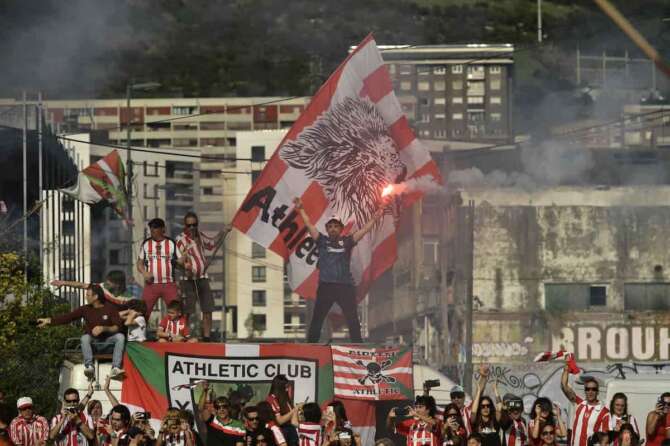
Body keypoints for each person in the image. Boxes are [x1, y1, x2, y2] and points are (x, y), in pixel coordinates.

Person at [293, 197, 385, 343]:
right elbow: (308, 224)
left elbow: (364, 231)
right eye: (330, 226)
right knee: (317, 318)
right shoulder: (322, 240)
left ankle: (357, 348)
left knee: (352, 319)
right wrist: (301, 209)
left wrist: (374, 219)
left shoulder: (347, 241)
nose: (333, 228)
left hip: (345, 286)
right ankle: (310, 347)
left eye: (336, 226)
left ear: (341, 229)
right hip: (326, 287)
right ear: (327, 229)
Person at [37, 284, 126, 379]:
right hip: (93, 345)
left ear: (95, 297)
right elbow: (68, 317)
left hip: (108, 344)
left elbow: (117, 327)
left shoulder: (110, 308)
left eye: (88, 295)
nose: (85, 297)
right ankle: (89, 367)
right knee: (85, 338)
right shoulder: (85, 309)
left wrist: (104, 328)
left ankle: (115, 368)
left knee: (120, 337)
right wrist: (49, 321)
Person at [176, 212, 230, 342]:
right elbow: (178, 261)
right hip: (188, 280)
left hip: (202, 277)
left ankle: (206, 337)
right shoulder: (180, 240)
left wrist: (224, 231)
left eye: (194, 225)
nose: (192, 228)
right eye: (189, 225)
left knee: (207, 308)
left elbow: (212, 243)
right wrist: (186, 267)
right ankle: (183, 336)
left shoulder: (200, 236)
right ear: (185, 225)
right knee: (187, 311)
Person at [137, 218, 190, 316]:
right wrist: (145, 273)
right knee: (142, 313)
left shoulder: (171, 243)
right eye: (151, 228)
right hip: (151, 285)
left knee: (176, 312)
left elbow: (179, 261)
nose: (152, 230)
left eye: (155, 228)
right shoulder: (146, 243)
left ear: (163, 229)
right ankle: (139, 331)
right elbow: (139, 263)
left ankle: (177, 330)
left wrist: (184, 258)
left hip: (169, 284)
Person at [561, 368, 609, 446]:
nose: (590, 392)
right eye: (588, 389)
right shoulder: (579, 403)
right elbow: (564, 386)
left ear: (598, 391)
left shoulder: (604, 412)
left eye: (593, 389)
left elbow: (605, 440)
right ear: (585, 391)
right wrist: (566, 369)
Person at [51, 270, 134, 310]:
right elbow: (82, 285)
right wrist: (63, 282)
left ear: (118, 284)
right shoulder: (101, 287)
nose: (106, 284)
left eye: (109, 283)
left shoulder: (128, 298)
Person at [470, 365, 501, 446]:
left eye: (488, 405)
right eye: (482, 406)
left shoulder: (494, 419)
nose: (485, 408)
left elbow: (500, 409)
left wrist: (496, 391)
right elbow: (473, 411)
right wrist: (479, 392)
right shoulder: (475, 420)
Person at [266, 375, 298, 446]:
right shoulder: (271, 399)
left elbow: (293, 421)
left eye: (288, 387)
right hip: (281, 431)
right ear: (279, 387)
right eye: (285, 387)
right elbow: (279, 421)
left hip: (291, 430)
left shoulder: (285, 398)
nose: (287, 390)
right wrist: (295, 410)